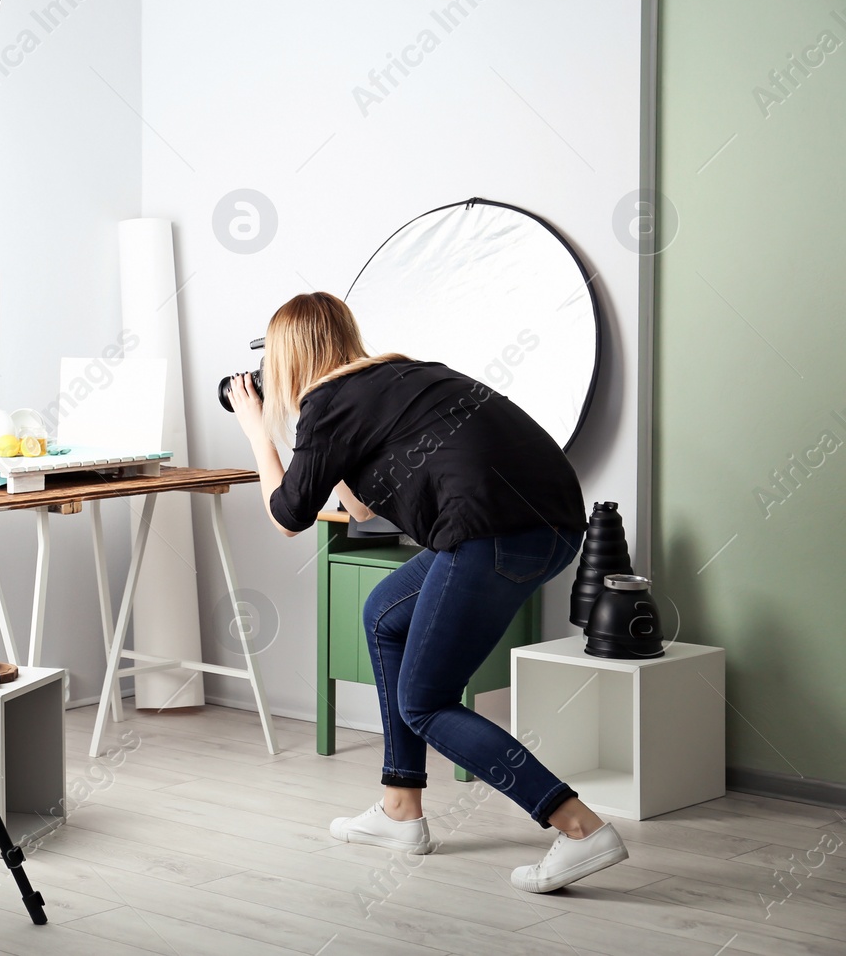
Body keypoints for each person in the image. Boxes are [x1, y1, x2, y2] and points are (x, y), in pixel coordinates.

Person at [227, 291, 628, 893]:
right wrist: (327, 452)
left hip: (489, 535)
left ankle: (579, 828)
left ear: (286, 359)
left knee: (425, 702)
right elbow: (360, 506)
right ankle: (399, 810)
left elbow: (288, 517)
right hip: (554, 529)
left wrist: (256, 430)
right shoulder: (399, 376)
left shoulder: (328, 401)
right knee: (384, 614)